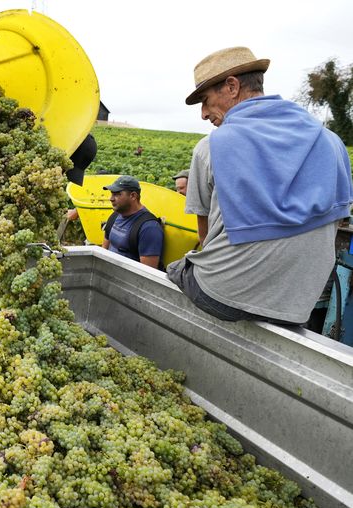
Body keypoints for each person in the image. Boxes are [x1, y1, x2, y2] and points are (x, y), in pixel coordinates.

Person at [167, 46, 353, 324]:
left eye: (205, 100)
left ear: (232, 86)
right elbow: (336, 224)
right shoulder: (332, 142)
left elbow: (204, 238)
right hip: (296, 309)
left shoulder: (211, 146)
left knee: (176, 268)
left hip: (219, 297)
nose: (204, 114)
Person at [0, 133, 98, 252]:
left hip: (5, 244)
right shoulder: (5, 157)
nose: (62, 175)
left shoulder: (39, 173)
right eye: (64, 169)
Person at [100, 175, 163, 269]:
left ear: (133, 196)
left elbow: (148, 273)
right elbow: (104, 251)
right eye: (112, 194)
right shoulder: (115, 216)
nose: (111, 198)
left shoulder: (149, 228)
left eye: (117, 194)